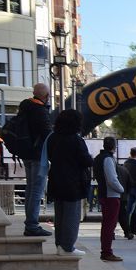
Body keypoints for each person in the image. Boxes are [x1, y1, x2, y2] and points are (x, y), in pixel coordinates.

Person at [45, 109, 92, 256]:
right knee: (71, 216)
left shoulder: (52, 138)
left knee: (59, 215)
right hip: (73, 183)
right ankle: (68, 246)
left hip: (56, 180)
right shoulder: (76, 140)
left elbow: (50, 156)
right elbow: (86, 161)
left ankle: (60, 244)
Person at [19, 83, 53, 237]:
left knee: (30, 189)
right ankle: (32, 225)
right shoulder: (40, 111)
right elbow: (48, 134)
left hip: (25, 153)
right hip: (38, 155)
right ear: (45, 96)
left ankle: (30, 223)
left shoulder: (25, 107)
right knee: (36, 190)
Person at [92, 137, 124, 262]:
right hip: (111, 195)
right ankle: (106, 251)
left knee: (106, 224)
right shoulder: (108, 159)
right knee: (109, 225)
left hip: (104, 193)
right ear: (114, 147)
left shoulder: (98, 158)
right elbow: (112, 179)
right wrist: (122, 189)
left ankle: (106, 250)